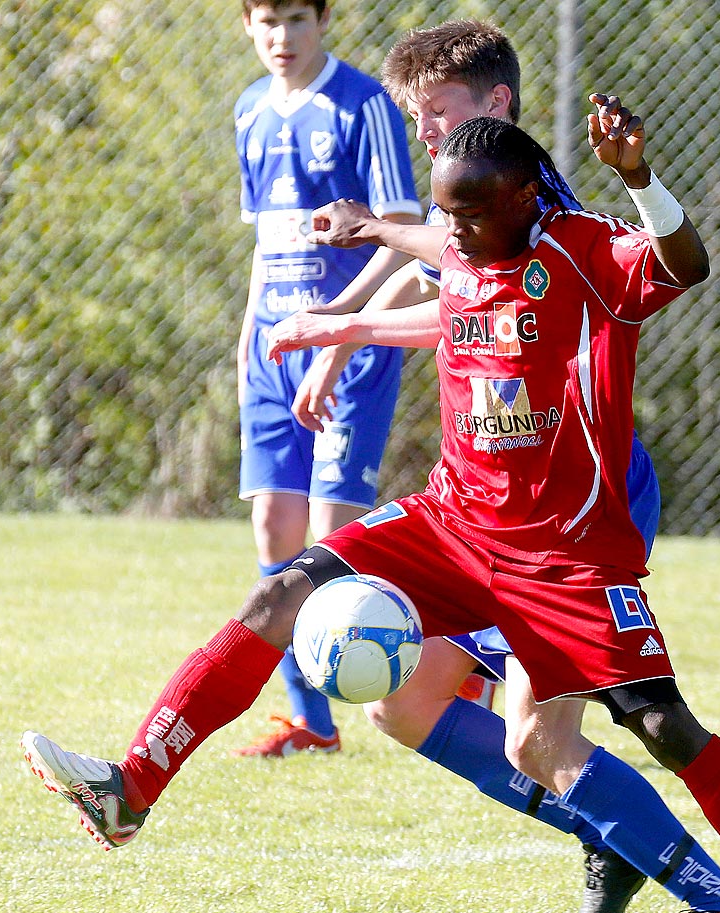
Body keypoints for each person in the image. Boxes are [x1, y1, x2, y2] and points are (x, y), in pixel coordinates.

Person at [20, 101, 720, 913]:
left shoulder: (583, 253)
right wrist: (364, 226)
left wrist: (639, 177)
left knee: (659, 723)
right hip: (451, 522)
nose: (452, 233)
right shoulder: (460, 246)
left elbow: (684, 265)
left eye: (469, 214)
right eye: (444, 214)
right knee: (279, 594)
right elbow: (427, 245)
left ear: (523, 199)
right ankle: (130, 790)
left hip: (567, 554)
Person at [270, 21, 720, 913]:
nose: (426, 135)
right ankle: (619, 843)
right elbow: (458, 293)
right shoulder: (472, 199)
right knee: (405, 704)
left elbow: (480, 292)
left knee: (537, 740)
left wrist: (351, 314)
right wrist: (345, 324)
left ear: (495, 107)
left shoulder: (543, 211)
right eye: (416, 121)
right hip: (486, 508)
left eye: (438, 116)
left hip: (566, 514)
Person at [232, 0, 421, 757]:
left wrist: (343, 323)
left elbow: (403, 235)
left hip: (350, 348)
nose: (283, 39)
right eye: (269, 21)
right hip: (274, 350)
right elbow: (265, 244)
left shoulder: (361, 104)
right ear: (248, 24)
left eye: (298, 21)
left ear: (325, 21)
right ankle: (310, 719)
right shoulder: (249, 110)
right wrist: (248, 333)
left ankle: (466, 651)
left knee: (332, 538)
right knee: (274, 527)